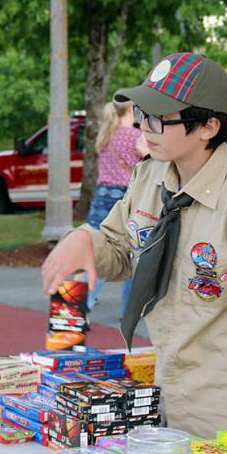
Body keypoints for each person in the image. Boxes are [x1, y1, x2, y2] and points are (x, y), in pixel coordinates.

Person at [42, 52, 227, 438]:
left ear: (208, 126)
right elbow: (120, 248)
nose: (144, 128)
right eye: (143, 114)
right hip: (160, 386)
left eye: (160, 119)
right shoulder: (149, 178)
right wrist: (85, 238)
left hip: (224, 408)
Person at [85, 99, 148, 313]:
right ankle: (128, 310)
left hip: (102, 195)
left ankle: (84, 302)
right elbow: (147, 163)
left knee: (97, 250)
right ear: (132, 109)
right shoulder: (137, 136)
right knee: (132, 251)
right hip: (126, 196)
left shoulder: (106, 135)